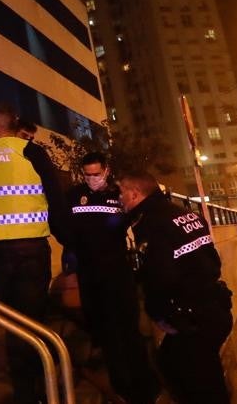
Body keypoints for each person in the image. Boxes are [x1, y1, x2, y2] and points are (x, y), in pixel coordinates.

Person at [0, 103, 71, 404]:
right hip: (31, 248)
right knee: (34, 319)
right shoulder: (31, 151)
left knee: (13, 323)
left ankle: (25, 392)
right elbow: (56, 199)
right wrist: (68, 242)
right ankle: (42, 387)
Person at [119, 170, 232, 404]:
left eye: (121, 192)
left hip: (191, 317)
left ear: (134, 193)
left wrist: (160, 313)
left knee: (189, 376)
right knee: (196, 372)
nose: (119, 198)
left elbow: (161, 273)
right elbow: (211, 259)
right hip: (214, 306)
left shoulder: (151, 222)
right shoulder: (185, 213)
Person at [61, 153, 159, 404]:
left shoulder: (119, 193)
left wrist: (122, 219)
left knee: (128, 329)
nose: (92, 179)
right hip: (88, 270)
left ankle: (145, 386)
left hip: (117, 269)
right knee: (104, 331)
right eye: (88, 175)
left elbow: (140, 215)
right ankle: (121, 387)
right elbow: (64, 226)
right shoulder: (74, 196)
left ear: (106, 171)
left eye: (96, 174)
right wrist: (69, 249)